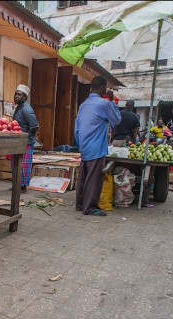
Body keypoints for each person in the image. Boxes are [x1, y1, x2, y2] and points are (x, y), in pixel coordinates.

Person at [74, 76, 121, 216]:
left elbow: (77, 129)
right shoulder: (104, 104)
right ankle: (89, 207)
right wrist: (112, 101)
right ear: (102, 88)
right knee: (94, 179)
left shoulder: (83, 105)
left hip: (84, 145)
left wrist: (80, 144)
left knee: (83, 176)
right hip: (96, 146)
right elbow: (117, 120)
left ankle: (80, 204)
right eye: (105, 88)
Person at [10, 84, 39, 193]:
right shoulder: (19, 107)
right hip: (18, 142)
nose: (16, 96)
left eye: (19, 94)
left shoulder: (26, 109)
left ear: (25, 97)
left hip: (25, 142)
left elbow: (35, 126)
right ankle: (17, 185)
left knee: (23, 165)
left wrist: (27, 135)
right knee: (15, 164)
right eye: (15, 94)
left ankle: (22, 187)